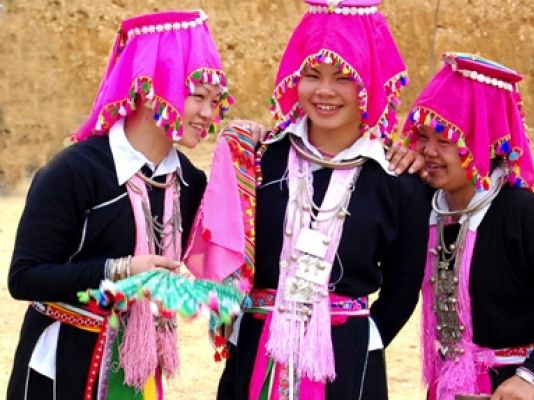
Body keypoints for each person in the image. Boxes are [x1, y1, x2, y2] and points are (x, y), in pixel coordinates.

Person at [6, 10, 233, 399]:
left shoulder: (190, 184)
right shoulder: (75, 171)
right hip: (61, 368)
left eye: (216, 101)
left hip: (137, 373)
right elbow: (24, 278)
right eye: (197, 97)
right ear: (151, 89)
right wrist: (122, 269)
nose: (209, 115)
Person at [214, 1, 431, 398]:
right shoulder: (259, 159)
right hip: (255, 355)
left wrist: (359, 339)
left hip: (348, 366)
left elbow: (402, 290)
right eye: (312, 75)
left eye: (344, 78)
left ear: (369, 82)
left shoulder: (400, 181)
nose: (325, 91)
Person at [401, 52, 534, 400]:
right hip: (448, 385)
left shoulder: (527, 215)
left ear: (480, 141)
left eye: (444, 140)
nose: (429, 150)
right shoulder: (424, 205)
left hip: (512, 389)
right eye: (423, 136)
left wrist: (532, 377)